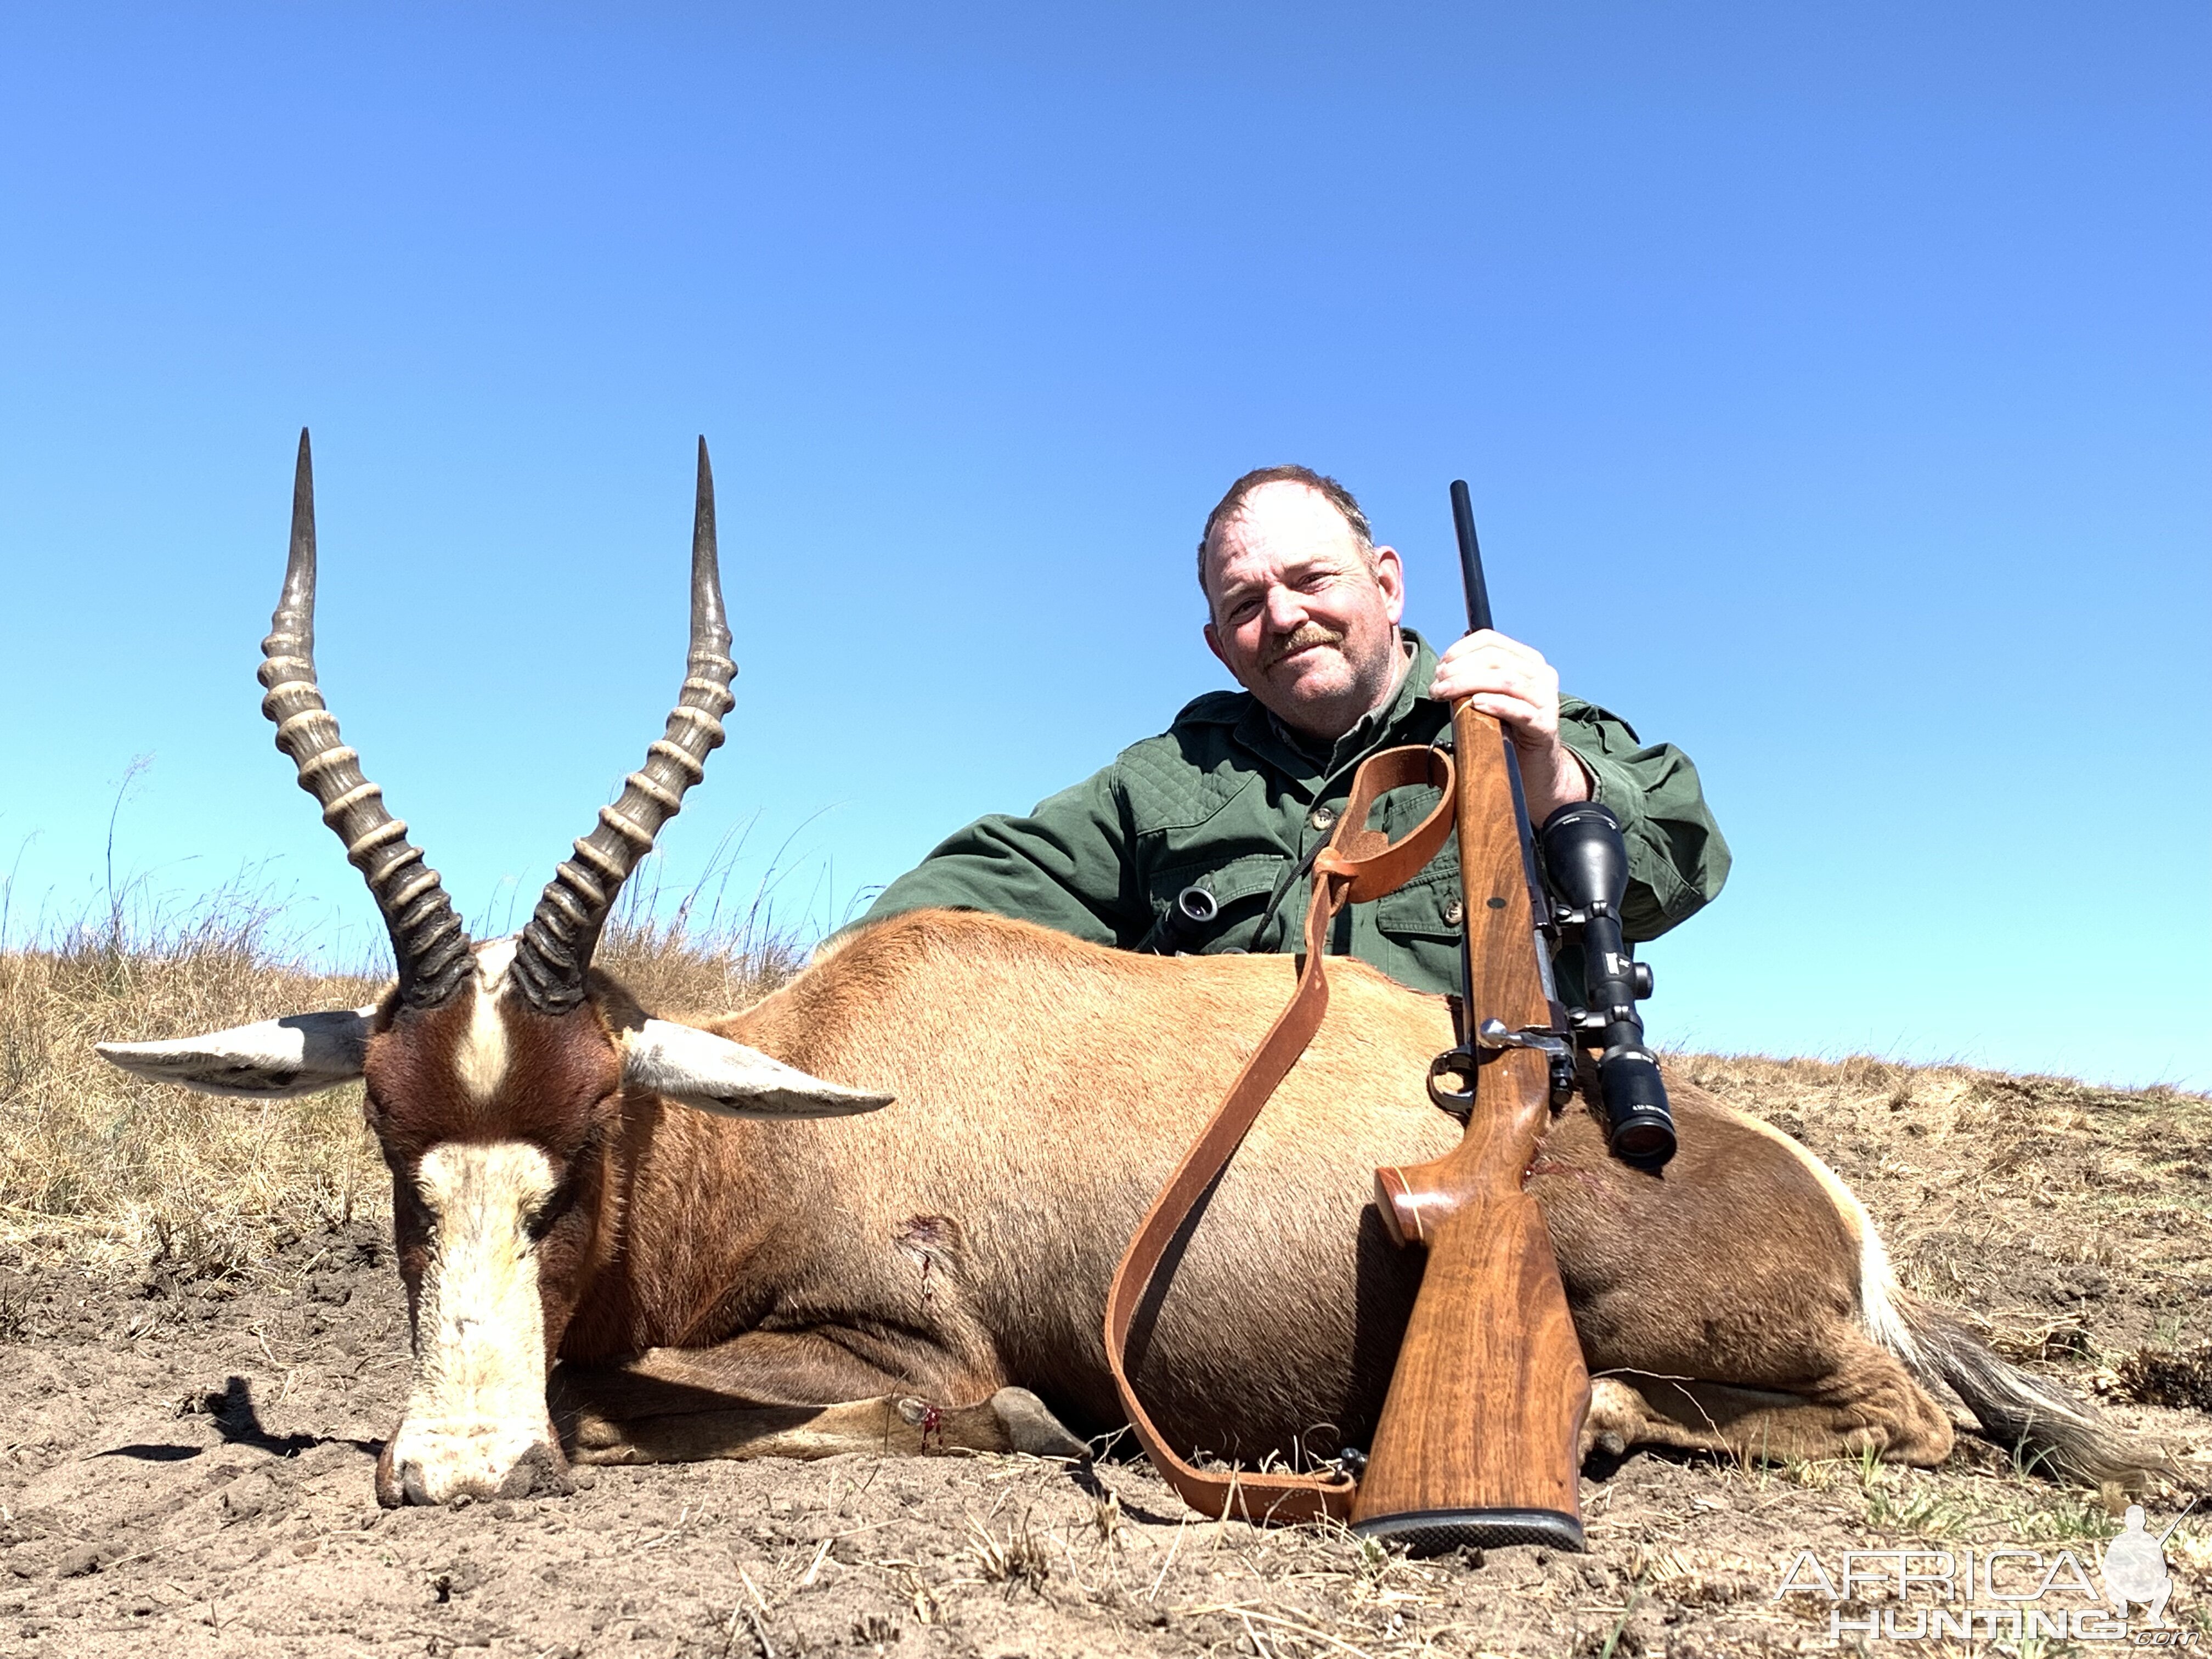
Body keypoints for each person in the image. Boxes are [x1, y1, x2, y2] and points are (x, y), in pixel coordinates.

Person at [857, 465, 1729, 997]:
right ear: (1219, 648)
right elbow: (983, 885)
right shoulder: (1161, 783)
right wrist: (835, 986)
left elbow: (1683, 865)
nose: (1284, 616)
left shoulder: (1516, 723)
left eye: (1312, 578)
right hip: (1242, 1209)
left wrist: (1548, 774)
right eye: (1244, 604)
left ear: (1387, 585)